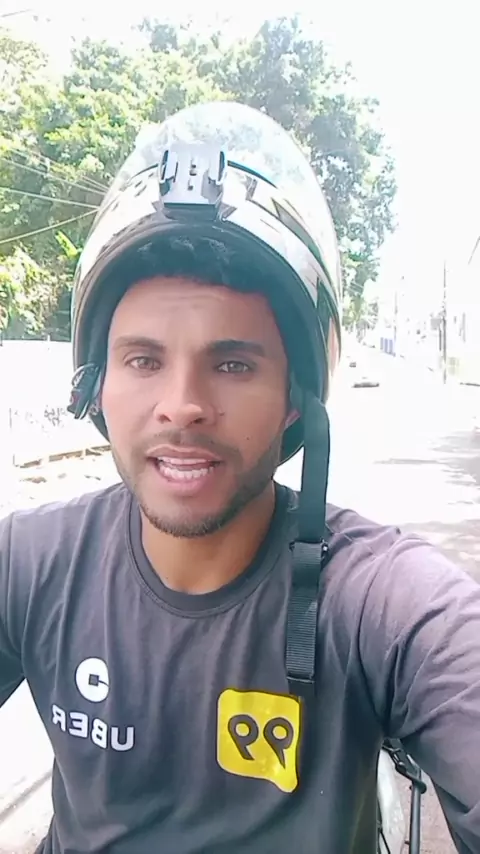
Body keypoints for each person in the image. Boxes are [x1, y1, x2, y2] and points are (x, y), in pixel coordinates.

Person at [0, 101, 479, 854]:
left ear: (295, 399)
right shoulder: (28, 564)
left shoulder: (381, 601)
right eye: (143, 359)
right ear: (95, 386)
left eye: (232, 364)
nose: (182, 405)